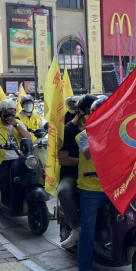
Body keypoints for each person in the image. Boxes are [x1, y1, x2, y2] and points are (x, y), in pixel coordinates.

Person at [75, 95, 108, 271]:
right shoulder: (83, 135)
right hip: (90, 189)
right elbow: (87, 153)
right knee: (87, 229)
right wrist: (101, 132)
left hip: (114, 186)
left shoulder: (118, 132)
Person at [0, 99, 32, 232]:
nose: (9, 116)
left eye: (11, 112)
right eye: (6, 113)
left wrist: (16, 125)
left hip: (19, 158)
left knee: (34, 177)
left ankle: (41, 206)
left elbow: (28, 137)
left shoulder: (18, 122)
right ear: (0, 113)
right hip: (1, 160)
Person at [57, 95, 90, 249]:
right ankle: (76, 228)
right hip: (73, 174)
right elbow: (63, 159)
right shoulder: (67, 130)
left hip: (96, 173)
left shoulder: (99, 127)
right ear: (80, 112)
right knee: (64, 192)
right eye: (90, 111)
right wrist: (85, 162)